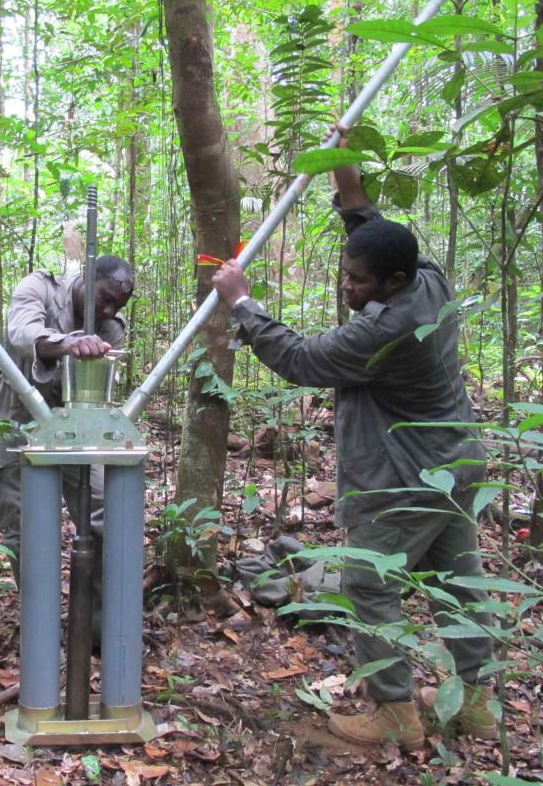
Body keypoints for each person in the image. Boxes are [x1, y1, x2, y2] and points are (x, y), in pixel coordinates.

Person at [211, 126, 494, 750]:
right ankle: (477, 702)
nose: (348, 287)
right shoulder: (426, 275)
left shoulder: (388, 330)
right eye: (348, 275)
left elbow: (304, 360)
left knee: (369, 586)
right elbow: (371, 227)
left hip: (408, 479)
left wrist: (244, 304)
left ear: (392, 284)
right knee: (457, 582)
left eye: (359, 283)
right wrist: (348, 174)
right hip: (455, 463)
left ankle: (394, 713)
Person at [0, 255, 134, 593]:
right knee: (25, 523)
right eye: (106, 299)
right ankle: (41, 624)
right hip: (18, 419)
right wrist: (66, 344)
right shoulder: (41, 288)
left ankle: (95, 623)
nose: (108, 311)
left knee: (102, 513)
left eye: (117, 305)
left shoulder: (111, 327)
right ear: (87, 277)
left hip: (74, 426)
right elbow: (21, 333)